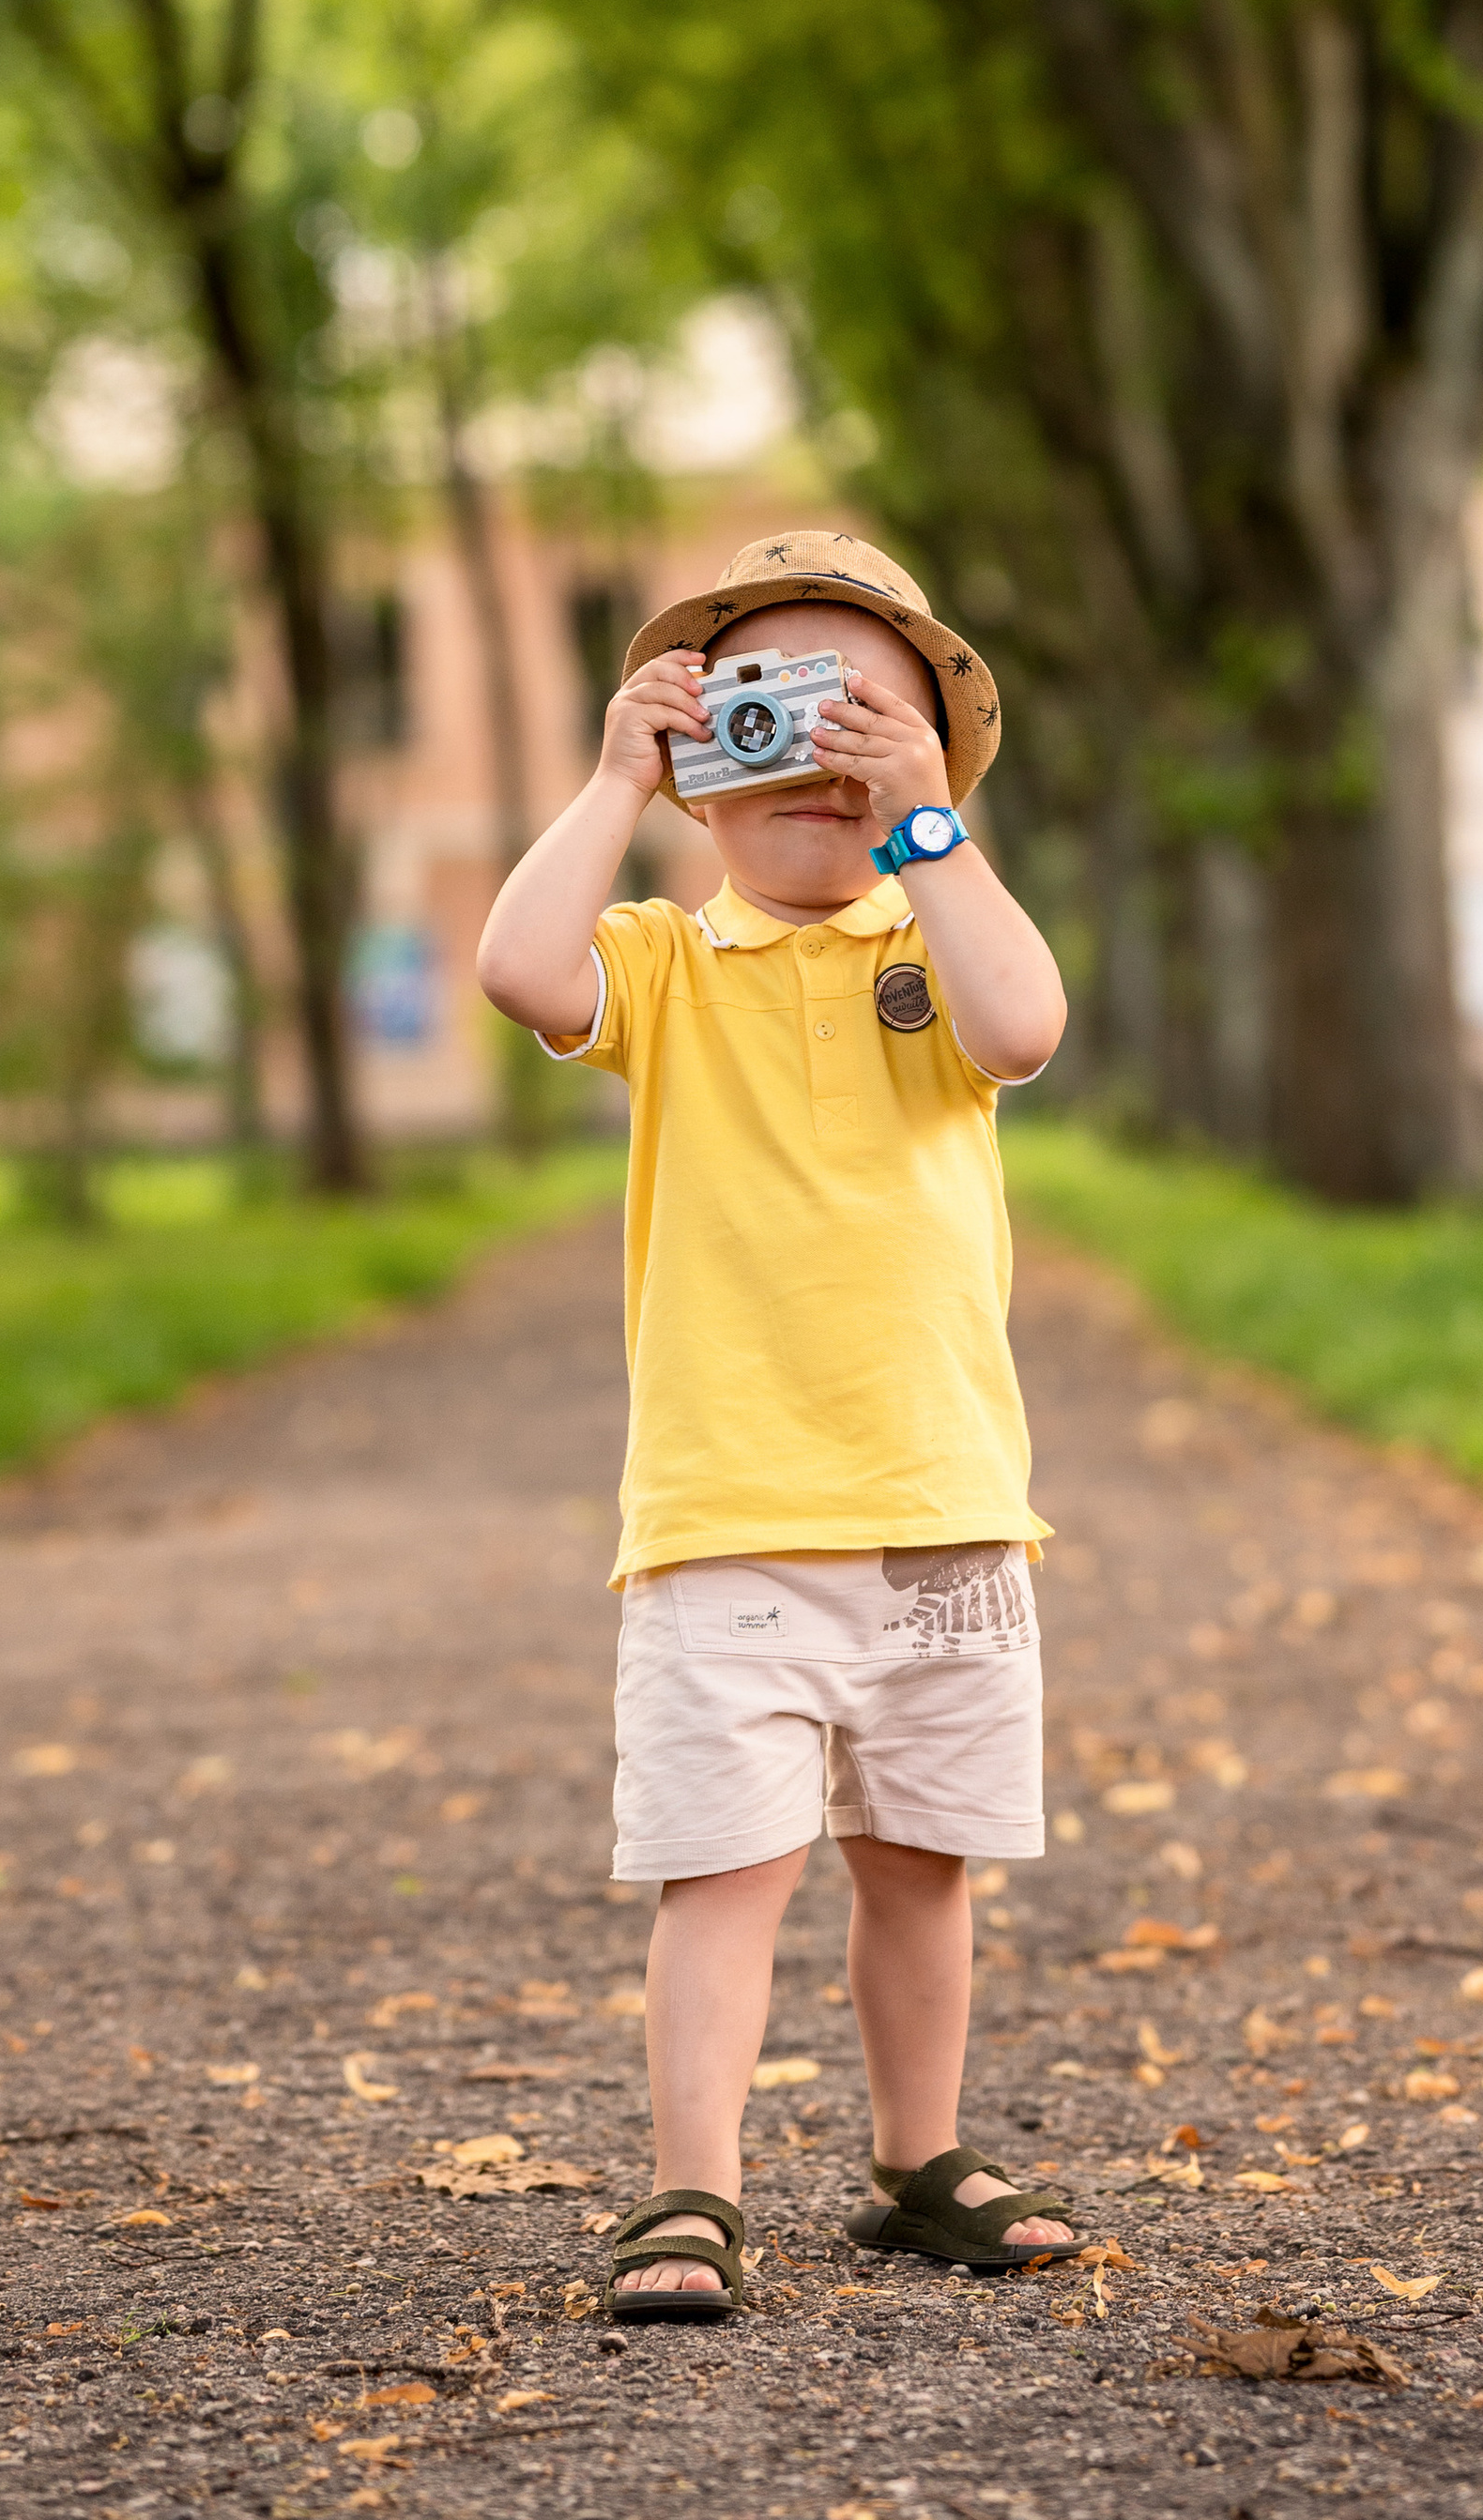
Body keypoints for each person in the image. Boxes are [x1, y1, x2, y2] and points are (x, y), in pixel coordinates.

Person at [477, 530, 1077, 2324]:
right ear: (698, 772)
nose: (815, 750)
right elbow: (521, 970)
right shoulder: (664, 960)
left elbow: (1028, 1025)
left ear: (933, 763)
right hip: (728, 1509)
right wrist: (605, 786)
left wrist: (928, 832)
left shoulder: (941, 935)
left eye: (865, 715)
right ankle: (692, 2189)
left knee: (920, 1863)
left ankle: (920, 2156)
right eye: (766, 713)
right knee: (724, 1870)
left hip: (942, 1499)